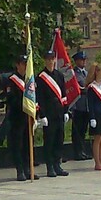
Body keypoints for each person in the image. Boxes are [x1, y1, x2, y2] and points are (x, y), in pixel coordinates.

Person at [37, 49, 68, 177]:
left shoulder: (59, 76)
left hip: (59, 112)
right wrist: (42, 115)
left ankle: (57, 164)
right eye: (48, 59)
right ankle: (50, 167)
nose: (51, 61)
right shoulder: (40, 77)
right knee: (49, 140)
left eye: (52, 59)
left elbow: (64, 95)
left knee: (59, 139)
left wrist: (66, 111)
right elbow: (40, 98)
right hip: (48, 113)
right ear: (45, 60)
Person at [6, 56, 33, 181]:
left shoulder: (29, 79)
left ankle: (28, 169)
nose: (25, 66)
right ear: (18, 65)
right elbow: (11, 100)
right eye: (23, 63)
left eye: (26, 63)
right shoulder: (12, 80)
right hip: (17, 117)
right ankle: (20, 170)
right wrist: (24, 104)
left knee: (28, 144)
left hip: (28, 117)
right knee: (18, 145)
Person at [70, 51, 89, 160]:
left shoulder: (86, 73)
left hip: (86, 105)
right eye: (82, 60)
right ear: (77, 61)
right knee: (77, 131)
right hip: (78, 105)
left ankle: (82, 151)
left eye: (84, 59)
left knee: (83, 130)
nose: (84, 62)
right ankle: (77, 152)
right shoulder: (74, 74)